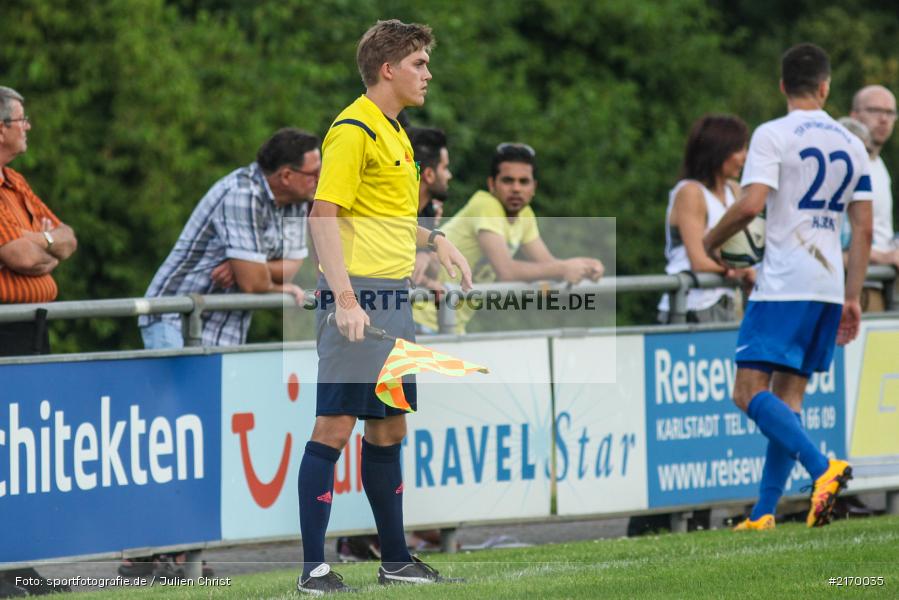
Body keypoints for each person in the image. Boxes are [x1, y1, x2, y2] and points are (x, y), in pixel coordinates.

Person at [298, 19, 472, 594]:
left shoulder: (396, 131)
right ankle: (312, 570)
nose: (428, 73)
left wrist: (435, 239)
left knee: (389, 428)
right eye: (419, 63)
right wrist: (344, 298)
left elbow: (386, 218)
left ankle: (395, 559)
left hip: (392, 298)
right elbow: (322, 217)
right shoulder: (352, 129)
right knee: (334, 425)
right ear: (388, 69)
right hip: (361, 296)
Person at [704, 43, 873, 531]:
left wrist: (711, 241)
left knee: (746, 392)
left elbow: (750, 204)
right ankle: (764, 512)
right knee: (787, 401)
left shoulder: (772, 134)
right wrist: (853, 296)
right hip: (826, 285)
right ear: (825, 87)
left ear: (782, 86)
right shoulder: (852, 142)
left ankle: (823, 469)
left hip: (783, 283)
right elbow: (862, 228)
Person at [0, 86, 77, 597]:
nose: (28, 127)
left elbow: (64, 238)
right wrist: (41, 245)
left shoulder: (16, 182)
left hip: (29, 327)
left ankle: (19, 560)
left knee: (24, 453)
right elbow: (20, 259)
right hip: (5, 328)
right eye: (21, 120)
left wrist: (42, 242)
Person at [138, 128, 315, 348]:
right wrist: (265, 278)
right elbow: (253, 283)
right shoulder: (243, 193)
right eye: (313, 174)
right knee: (179, 385)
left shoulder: (296, 201)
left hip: (227, 327)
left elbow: (292, 267)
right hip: (174, 319)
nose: (319, 179)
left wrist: (248, 266)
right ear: (287, 176)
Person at [413, 142, 604, 334]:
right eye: (508, 180)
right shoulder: (486, 205)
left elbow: (548, 265)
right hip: (420, 317)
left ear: (534, 187)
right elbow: (507, 271)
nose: (516, 188)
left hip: (450, 323)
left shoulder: (525, 215)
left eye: (523, 181)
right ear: (491, 184)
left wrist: (585, 266)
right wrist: (564, 268)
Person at [657, 114, 755, 324]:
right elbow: (698, 261)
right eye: (739, 150)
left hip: (728, 304)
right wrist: (735, 270)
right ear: (719, 151)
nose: (745, 157)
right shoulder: (690, 193)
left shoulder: (735, 191)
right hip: (691, 306)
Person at [850, 85, 899, 310]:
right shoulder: (849, 165)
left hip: (881, 284)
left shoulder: (879, 165)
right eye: (875, 111)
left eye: (890, 113)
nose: (883, 119)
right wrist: (886, 257)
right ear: (855, 115)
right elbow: (838, 236)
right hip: (857, 288)